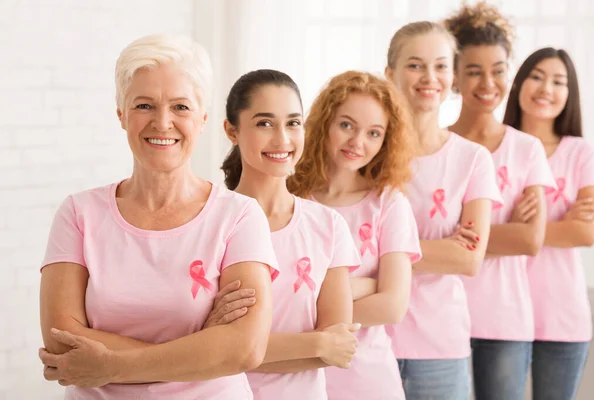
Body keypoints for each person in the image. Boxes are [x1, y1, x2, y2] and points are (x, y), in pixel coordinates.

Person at [38, 34, 278, 399]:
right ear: (121, 114)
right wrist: (200, 347)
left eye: (180, 107)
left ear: (202, 118)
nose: (162, 122)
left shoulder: (240, 217)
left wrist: (110, 365)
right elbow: (60, 340)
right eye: (144, 106)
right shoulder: (78, 213)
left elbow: (244, 349)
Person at [212, 68, 361, 400]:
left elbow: (337, 349)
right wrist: (315, 342)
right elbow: (200, 348)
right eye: (265, 123)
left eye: (293, 123)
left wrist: (233, 348)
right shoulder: (209, 221)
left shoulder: (328, 226)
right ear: (231, 131)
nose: (282, 139)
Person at [443, 3, 557, 398]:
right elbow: (415, 237)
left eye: (498, 70)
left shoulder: (526, 149)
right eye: (474, 71)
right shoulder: (437, 147)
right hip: (438, 318)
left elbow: (530, 241)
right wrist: (500, 233)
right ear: (454, 76)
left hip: (506, 321)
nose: (487, 82)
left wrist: (459, 238)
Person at [384, 21, 503, 399]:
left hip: (441, 348)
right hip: (368, 343)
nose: (429, 77)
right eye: (415, 65)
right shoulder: (366, 154)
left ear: (451, 77)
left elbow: (468, 260)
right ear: (390, 74)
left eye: (440, 66)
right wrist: (439, 249)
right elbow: (348, 251)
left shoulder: (472, 159)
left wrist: (385, 250)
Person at [288, 70, 422, 400]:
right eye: (346, 125)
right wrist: (365, 286)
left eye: (374, 133)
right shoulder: (290, 198)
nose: (358, 143)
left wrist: (310, 306)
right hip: (293, 378)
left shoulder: (389, 204)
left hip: (367, 380)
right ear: (324, 123)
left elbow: (392, 306)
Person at [504, 47, 594, 400]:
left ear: (569, 94)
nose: (547, 88)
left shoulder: (581, 153)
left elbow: (585, 232)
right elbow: (478, 233)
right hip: (501, 312)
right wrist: (554, 228)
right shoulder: (497, 147)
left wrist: (517, 230)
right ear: (518, 84)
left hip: (564, 314)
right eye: (537, 77)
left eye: (559, 82)